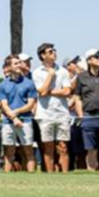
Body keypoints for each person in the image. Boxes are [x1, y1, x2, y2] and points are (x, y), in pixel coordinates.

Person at [32, 43, 72, 173]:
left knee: (63, 146)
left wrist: (50, 91)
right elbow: (41, 92)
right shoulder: (37, 72)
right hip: (45, 115)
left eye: (54, 50)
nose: (54, 53)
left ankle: (65, 174)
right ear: (43, 55)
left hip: (62, 114)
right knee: (48, 147)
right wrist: (50, 75)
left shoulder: (63, 71)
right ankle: (50, 174)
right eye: (50, 51)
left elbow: (67, 91)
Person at [0, 55, 38, 172]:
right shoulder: (3, 85)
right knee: (9, 152)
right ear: (9, 67)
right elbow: (4, 105)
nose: (19, 65)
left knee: (28, 150)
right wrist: (14, 118)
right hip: (8, 122)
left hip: (25, 120)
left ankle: (31, 176)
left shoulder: (29, 83)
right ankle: (6, 178)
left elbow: (31, 104)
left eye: (20, 62)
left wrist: (17, 112)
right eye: (16, 63)